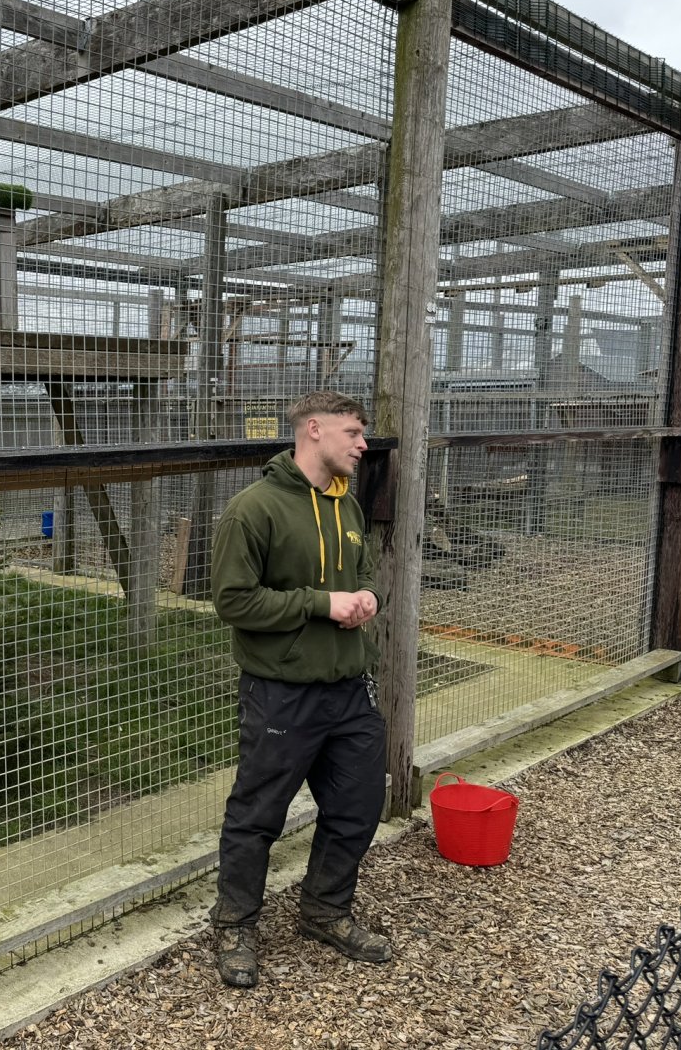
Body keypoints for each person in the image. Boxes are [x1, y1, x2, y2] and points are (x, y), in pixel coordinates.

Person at [207, 389, 390, 989]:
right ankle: (235, 924)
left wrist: (367, 598)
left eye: (363, 434)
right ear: (314, 429)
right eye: (352, 433)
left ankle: (325, 910)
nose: (363, 445)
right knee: (258, 814)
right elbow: (233, 601)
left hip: (350, 688)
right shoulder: (253, 509)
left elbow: (364, 574)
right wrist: (321, 604)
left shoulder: (346, 504)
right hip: (281, 692)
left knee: (358, 806)